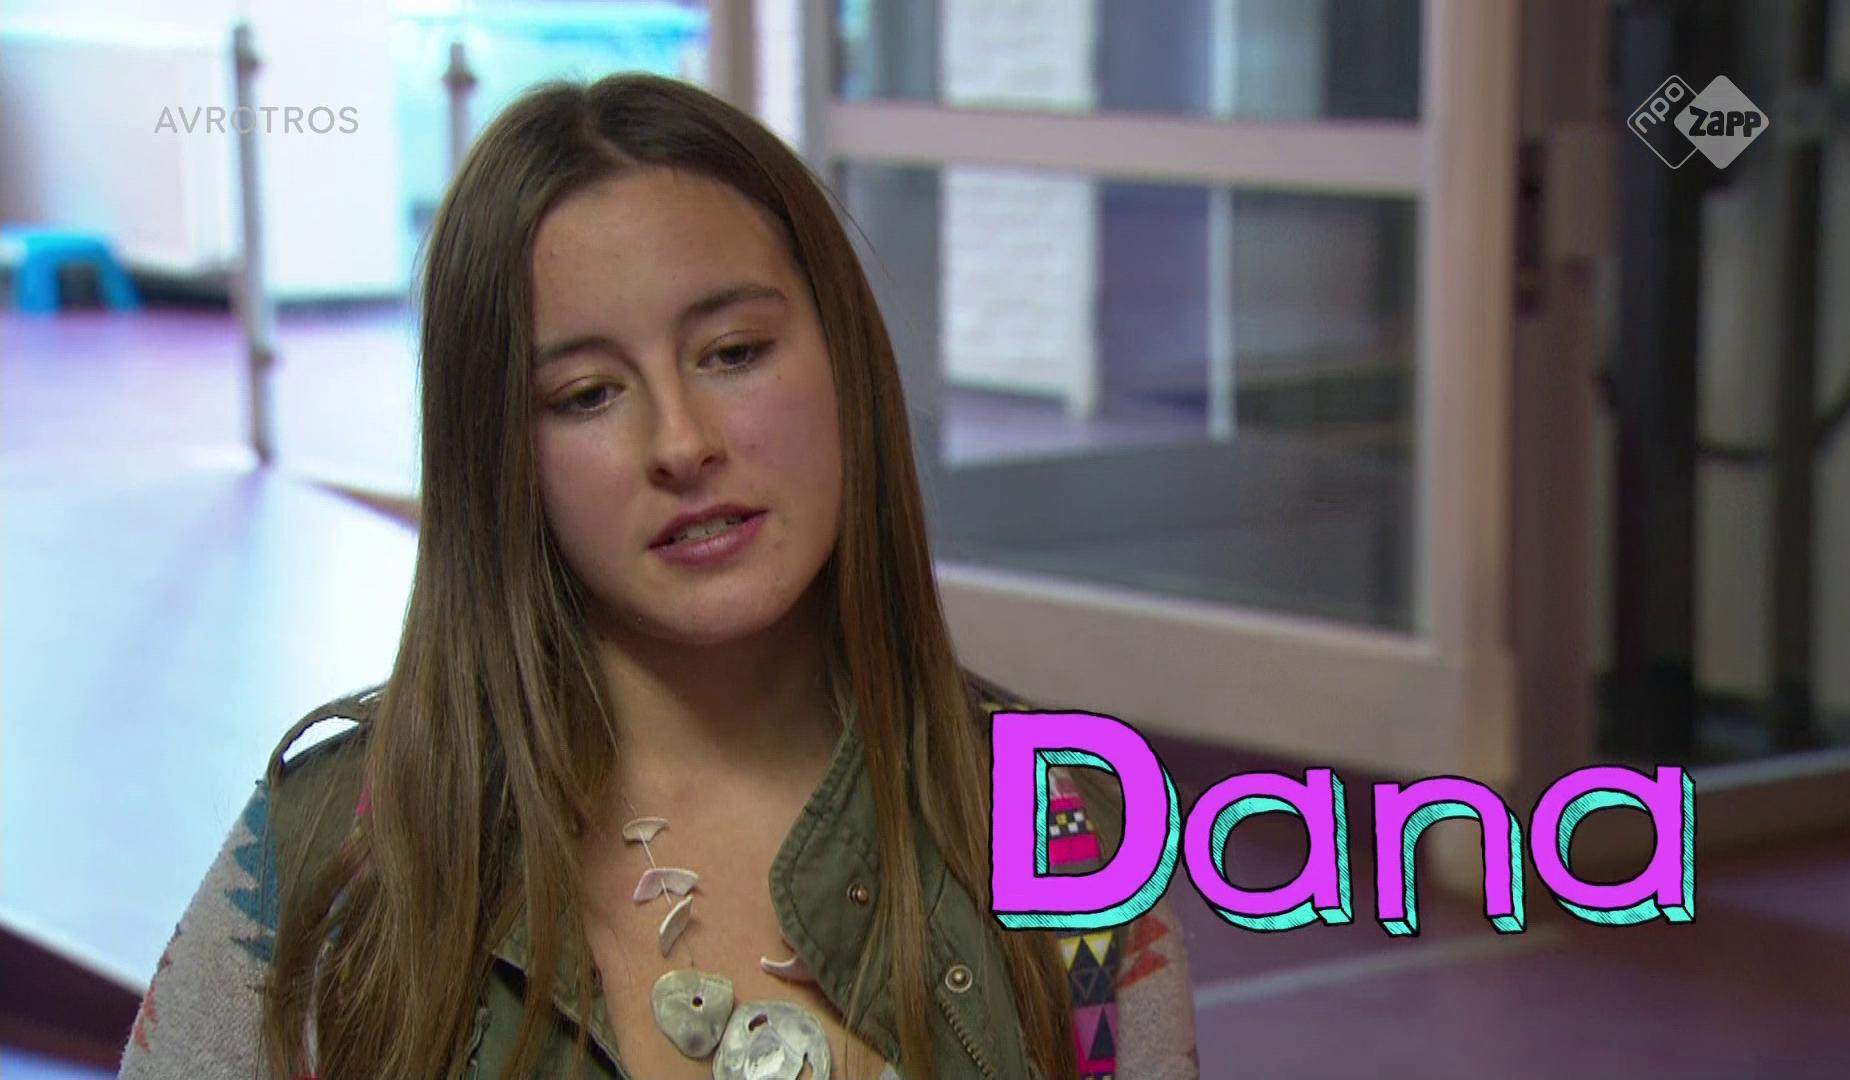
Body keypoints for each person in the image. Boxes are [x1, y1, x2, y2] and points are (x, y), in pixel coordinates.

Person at [118, 73, 1199, 1080]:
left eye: (733, 352)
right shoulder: (336, 845)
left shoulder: (1065, 824)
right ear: (502, 456)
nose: (681, 443)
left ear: (846, 360)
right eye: (587, 395)